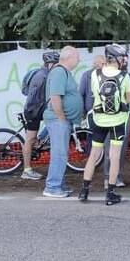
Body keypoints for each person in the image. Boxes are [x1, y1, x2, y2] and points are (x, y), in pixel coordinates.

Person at [78, 44, 130, 206]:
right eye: (123, 57)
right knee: (114, 156)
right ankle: (110, 194)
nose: (124, 60)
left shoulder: (95, 74)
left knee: (94, 155)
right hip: (118, 121)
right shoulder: (124, 76)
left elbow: (95, 94)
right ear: (117, 58)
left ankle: (84, 191)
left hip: (98, 120)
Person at [42, 46, 83, 198]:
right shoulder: (59, 72)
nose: (79, 60)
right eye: (77, 56)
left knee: (61, 153)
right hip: (57, 119)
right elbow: (55, 96)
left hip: (60, 119)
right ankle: (52, 187)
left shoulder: (63, 72)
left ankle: (58, 183)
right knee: (59, 154)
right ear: (69, 57)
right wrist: (61, 117)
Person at [20, 51, 60, 181]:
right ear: (49, 64)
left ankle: (40, 140)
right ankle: (26, 170)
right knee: (30, 139)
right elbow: (32, 98)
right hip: (33, 111)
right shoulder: (41, 76)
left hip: (36, 110)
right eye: (55, 64)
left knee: (56, 118)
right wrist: (39, 110)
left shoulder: (47, 74)